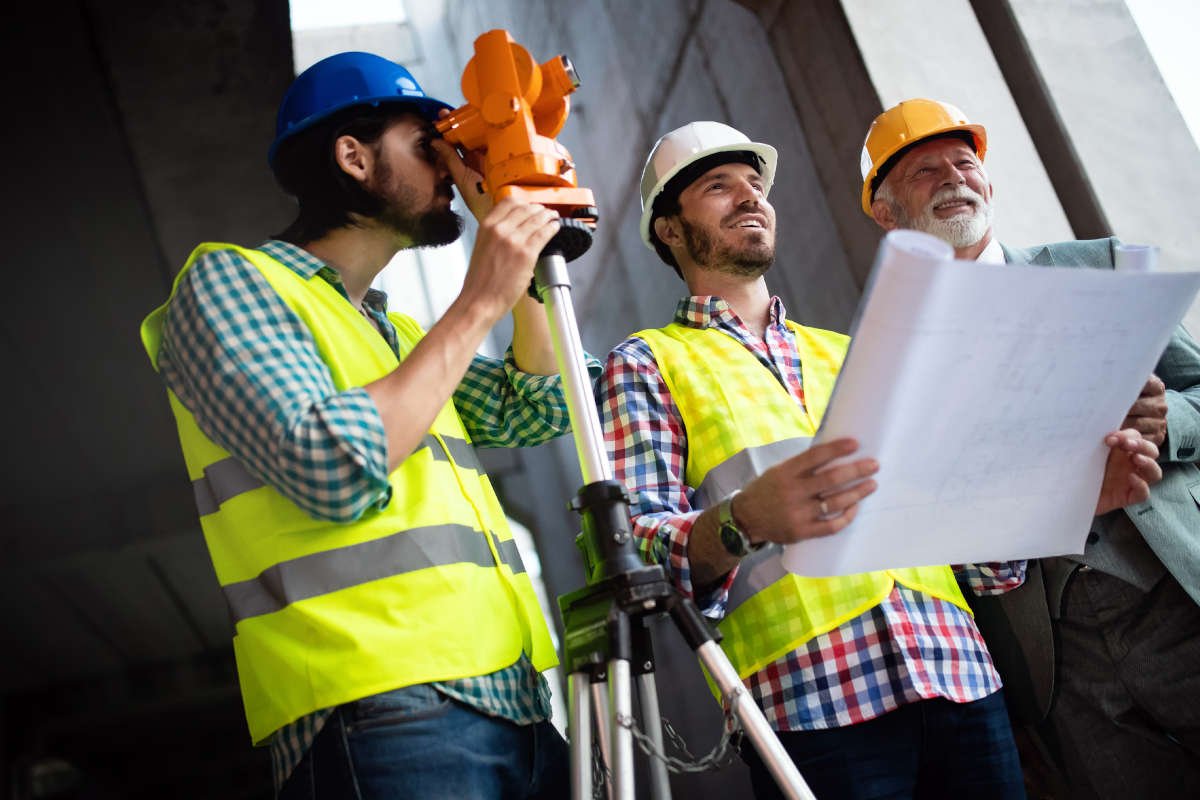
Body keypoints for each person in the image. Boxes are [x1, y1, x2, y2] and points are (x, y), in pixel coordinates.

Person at [595, 120, 1161, 799]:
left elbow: (976, 556)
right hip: (810, 703)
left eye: (755, 185)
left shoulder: (852, 351)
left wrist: (1067, 496)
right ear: (669, 229)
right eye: (719, 187)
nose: (750, 198)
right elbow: (637, 558)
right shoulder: (647, 363)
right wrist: (745, 520)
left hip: (957, 676)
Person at [139, 51, 591, 798]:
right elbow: (331, 467)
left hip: (515, 702)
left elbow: (538, 406)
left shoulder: (399, 334)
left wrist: (513, 247)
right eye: (428, 147)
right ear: (353, 157)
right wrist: (480, 298)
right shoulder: (231, 282)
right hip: (382, 707)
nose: (451, 166)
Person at [861, 98, 1200, 798]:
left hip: (1177, 590)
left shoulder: (1102, 266)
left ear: (987, 180)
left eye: (964, 162)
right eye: (925, 171)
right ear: (887, 214)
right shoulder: (885, 363)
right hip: (1057, 663)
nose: (953, 178)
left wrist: (1172, 423)